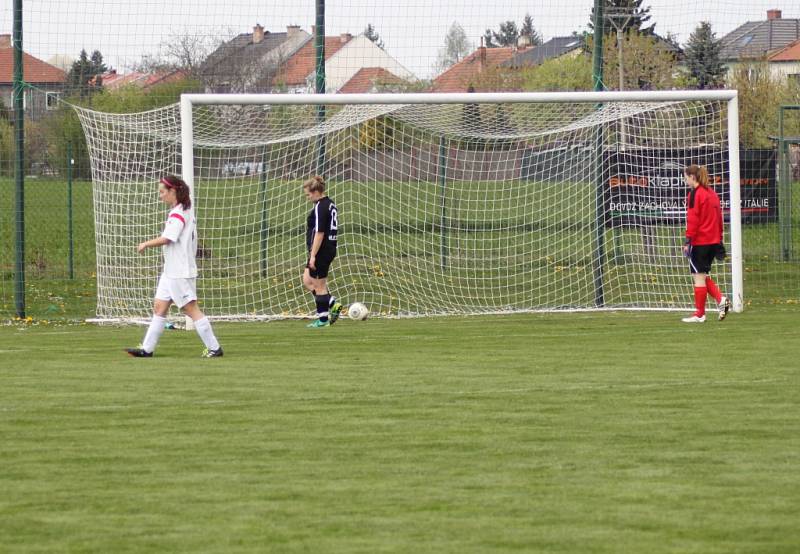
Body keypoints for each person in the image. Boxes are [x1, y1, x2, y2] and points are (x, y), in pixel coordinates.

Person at [125, 175, 223, 357]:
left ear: (173, 191)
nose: (160, 196)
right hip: (170, 271)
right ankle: (147, 350)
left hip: (179, 271)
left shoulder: (179, 213)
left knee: (190, 309)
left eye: (162, 192)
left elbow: (168, 238)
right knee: (159, 307)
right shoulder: (185, 208)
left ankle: (215, 348)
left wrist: (145, 244)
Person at [681, 164, 731, 323]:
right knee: (701, 274)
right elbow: (719, 217)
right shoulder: (712, 193)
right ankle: (720, 301)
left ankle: (700, 313)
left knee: (698, 277)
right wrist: (719, 238)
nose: (685, 179)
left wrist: (688, 240)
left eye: (686, 176)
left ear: (692, 177)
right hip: (713, 241)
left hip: (700, 241)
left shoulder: (695, 194)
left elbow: (693, 219)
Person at [302, 175, 342, 328]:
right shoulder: (330, 203)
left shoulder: (320, 206)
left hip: (322, 250)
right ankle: (333, 304)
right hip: (327, 248)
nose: (308, 197)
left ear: (316, 191)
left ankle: (323, 320)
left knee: (319, 286)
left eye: (309, 194)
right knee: (307, 279)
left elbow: (320, 233)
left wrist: (313, 255)